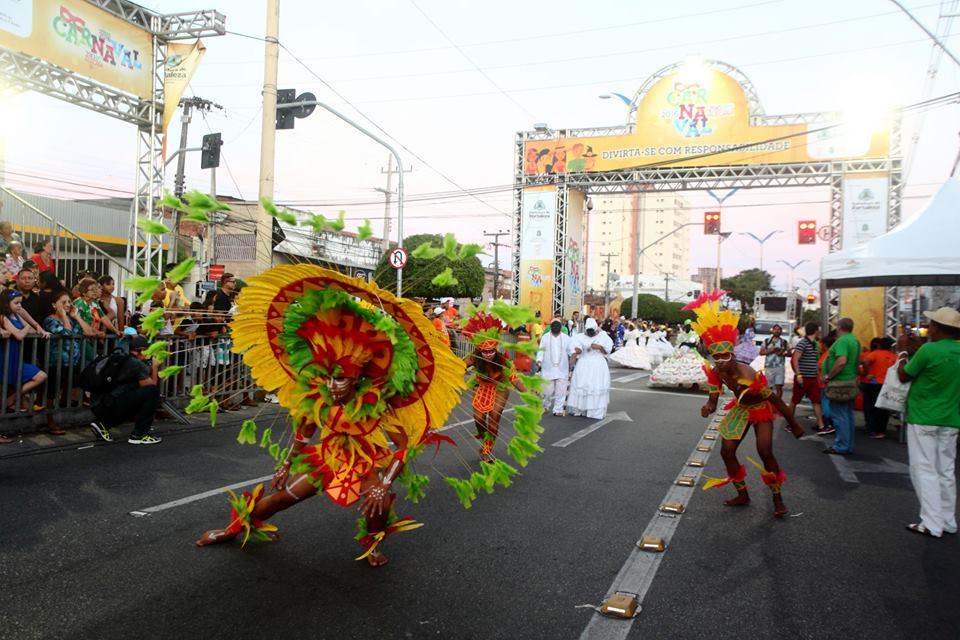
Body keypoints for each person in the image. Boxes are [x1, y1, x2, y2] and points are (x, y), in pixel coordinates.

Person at [196, 264, 466, 566]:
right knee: (282, 498)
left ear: (355, 378)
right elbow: (305, 430)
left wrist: (385, 483)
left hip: (366, 461)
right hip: (328, 457)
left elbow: (403, 447)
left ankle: (373, 544)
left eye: (340, 379)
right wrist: (286, 465)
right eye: (327, 377)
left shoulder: (377, 402)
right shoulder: (320, 396)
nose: (331, 386)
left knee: (378, 505)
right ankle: (233, 528)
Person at [686, 291, 804, 518]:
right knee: (727, 451)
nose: (720, 361)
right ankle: (743, 494)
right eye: (716, 357)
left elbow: (776, 400)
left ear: (733, 354)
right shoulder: (717, 371)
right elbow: (713, 399)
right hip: (740, 409)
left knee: (765, 451)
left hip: (760, 409)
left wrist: (794, 424)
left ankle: (777, 498)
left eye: (725, 356)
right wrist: (708, 407)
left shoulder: (748, 375)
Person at [896, 307, 960, 538]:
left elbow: (904, 375)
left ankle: (931, 523)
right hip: (951, 418)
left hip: (923, 416)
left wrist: (903, 353)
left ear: (936, 328)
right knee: (946, 470)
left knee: (924, 469)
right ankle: (948, 521)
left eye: (931, 324)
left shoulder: (929, 350)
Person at [462, 311, 527, 461]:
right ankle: (485, 437)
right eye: (485, 351)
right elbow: (458, 368)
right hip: (481, 387)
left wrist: (528, 393)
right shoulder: (474, 358)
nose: (488, 354)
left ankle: (487, 449)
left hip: (500, 388)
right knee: (478, 418)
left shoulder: (504, 362)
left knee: (494, 418)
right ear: (480, 350)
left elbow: (515, 380)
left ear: (496, 349)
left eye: (491, 351)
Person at [88, 335, 163, 444]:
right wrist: (155, 368)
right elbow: (151, 388)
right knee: (152, 393)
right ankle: (139, 435)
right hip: (110, 404)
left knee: (134, 399)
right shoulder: (137, 365)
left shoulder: (123, 358)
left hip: (99, 404)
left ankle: (102, 425)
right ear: (140, 351)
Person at [0, 291, 49, 413]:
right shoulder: (3, 317)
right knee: (6, 384)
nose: (19, 306)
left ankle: (10, 400)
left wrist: (33, 328)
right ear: (6, 304)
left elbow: (31, 330)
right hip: (5, 356)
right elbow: (20, 335)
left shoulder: (16, 316)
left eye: (20, 303)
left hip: (16, 357)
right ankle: (10, 404)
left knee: (41, 376)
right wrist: (27, 327)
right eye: (16, 303)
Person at [822, 317, 861, 456]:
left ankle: (841, 446)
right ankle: (847, 444)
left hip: (840, 383)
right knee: (847, 414)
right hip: (849, 381)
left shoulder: (843, 341)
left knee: (839, 416)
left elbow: (841, 361)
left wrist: (829, 375)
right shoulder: (854, 340)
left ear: (839, 327)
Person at [567, 317, 613, 419]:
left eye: (592, 331)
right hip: (584, 364)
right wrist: (575, 355)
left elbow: (607, 351)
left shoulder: (603, 336)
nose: (590, 333)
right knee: (582, 384)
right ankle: (580, 409)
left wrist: (600, 347)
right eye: (589, 331)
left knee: (595, 386)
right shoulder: (579, 337)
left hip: (598, 365)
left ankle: (594, 411)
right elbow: (576, 349)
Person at [788, 322, 827, 434]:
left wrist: (819, 375)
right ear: (815, 331)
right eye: (818, 330)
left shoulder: (815, 344)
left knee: (816, 401)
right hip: (803, 377)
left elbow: (815, 362)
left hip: (812, 377)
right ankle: (790, 424)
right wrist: (798, 374)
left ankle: (821, 426)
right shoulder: (803, 343)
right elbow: (795, 359)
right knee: (795, 400)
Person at [860, 337, 897, 439]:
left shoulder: (875, 353)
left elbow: (865, 361)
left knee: (869, 407)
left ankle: (871, 430)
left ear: (880, 345)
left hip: (872, 383)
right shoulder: (894, 357)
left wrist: (868, 373)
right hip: (886, 385)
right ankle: (881, 431)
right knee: (883, 408)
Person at [537, 319, 574, 416]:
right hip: (548, 368)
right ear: (551, 327)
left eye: (558, 326)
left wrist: (573, 359)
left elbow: (571, 351)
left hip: (562, 368)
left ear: (561, 328)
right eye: (554, 326)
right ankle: (545, 405)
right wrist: (539, 360)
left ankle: (558, 409)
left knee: (561, 390)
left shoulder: (566, 338)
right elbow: (541, 350)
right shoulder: (545, 337)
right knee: (547, 391)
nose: (556, 328)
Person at [760, 324, 789, 398]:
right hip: (769, 367)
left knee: (779, 387)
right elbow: (761, 352)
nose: (776, 331)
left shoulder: (784, 342)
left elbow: (790, 353)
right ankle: (770, 402)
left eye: (778, 329)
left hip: (780, 367)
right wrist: (770, 351)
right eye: (775, 329)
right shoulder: (767, 341)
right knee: (769, 388)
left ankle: (778, 403)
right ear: (772, 330)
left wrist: (782, 353)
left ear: (781, 331)